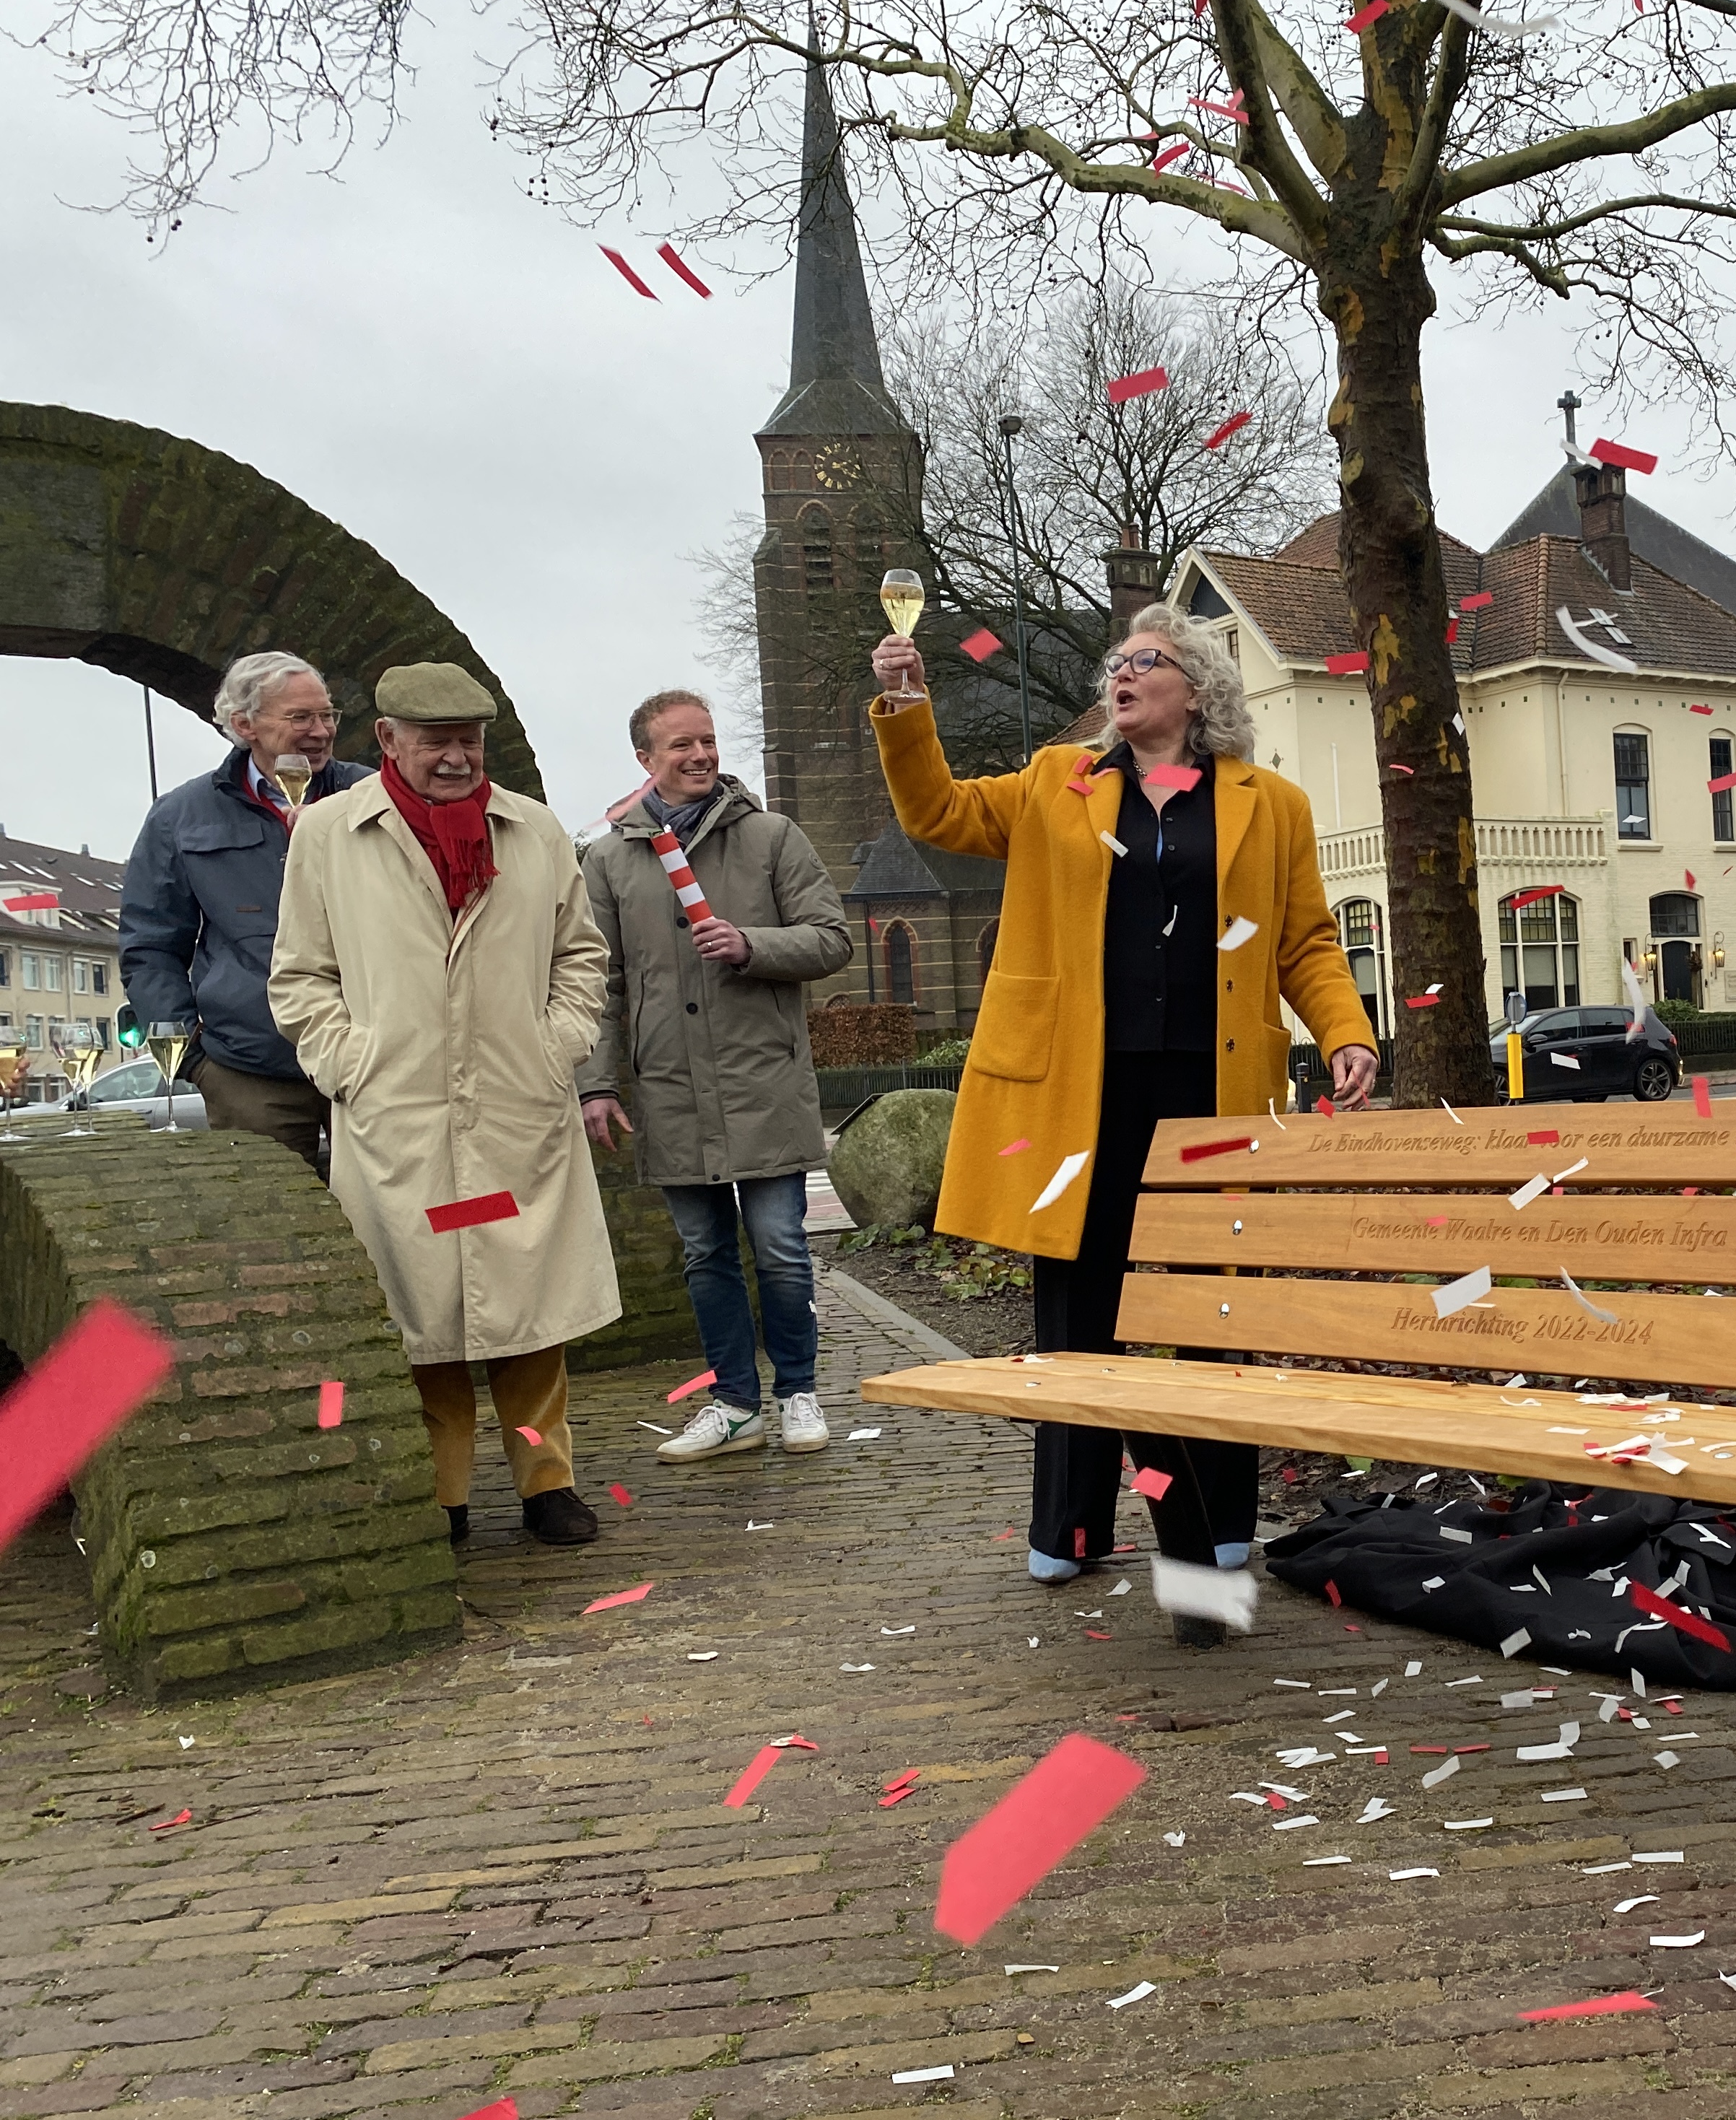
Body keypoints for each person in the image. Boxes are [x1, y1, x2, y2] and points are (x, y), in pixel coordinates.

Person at [865, 601, 1379, 1638]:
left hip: (1213, 1098)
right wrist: (905, 709)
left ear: (1198, 690)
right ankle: (1072, 1532)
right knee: (1079, 1317)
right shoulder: (1059, 786)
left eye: (1146, 661)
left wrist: (1346, 1031)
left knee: (1205, 1316)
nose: (1122, 675)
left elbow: (1308, 940)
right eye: (1116, 662)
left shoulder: (1268, 803)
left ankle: (1217, 1537)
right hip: (1079, 1099)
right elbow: (940, 816)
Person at [269, 663, 620, 1548]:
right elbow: (302, 975)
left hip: (513, 1113)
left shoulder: (533, 831)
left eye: (471, 740)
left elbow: (581, 955)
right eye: (438, 741)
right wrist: (351, 1063)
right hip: (402, 1119)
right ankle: (446, 1495)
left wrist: (556, 1047)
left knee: (530, 1313)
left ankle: (549, 1483)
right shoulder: (328, 835)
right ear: (388, 741)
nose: (458, 758)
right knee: (420, 1318)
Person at [578, 690, 852, 1461]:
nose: (701, 756)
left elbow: (831, 939)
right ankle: (735, 1403)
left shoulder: (771, 837)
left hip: (762, 1081)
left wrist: (752, 945)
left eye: (708, 741)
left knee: (780, 1248)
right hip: (669, 1087)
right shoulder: (608, 859)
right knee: (705, 1255)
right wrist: (597, 1084)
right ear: (645, 761)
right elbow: (601, 982)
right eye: (680, 747)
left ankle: (798, 1389)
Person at [118, 652, 375, 1173]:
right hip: (251, 1072)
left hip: (374, 1058)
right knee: (275, 1230)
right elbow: (150, 945)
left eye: (327, 715)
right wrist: (195, 1058)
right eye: (300, 717)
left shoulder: (372, 797)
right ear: (244, 725)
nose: (321, 731)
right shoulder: (181, 816)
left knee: (403, 1226)